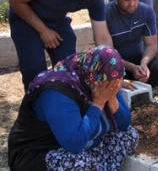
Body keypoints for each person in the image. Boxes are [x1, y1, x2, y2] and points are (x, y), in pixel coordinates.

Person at [8, 45, 138, 170]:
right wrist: (98, 104)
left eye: (116, 82)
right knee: (80, 163)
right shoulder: (58, 91)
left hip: (82, 144)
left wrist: (111, 98)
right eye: (109, 83)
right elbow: (74, 143)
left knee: (128, 136)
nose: (112, 86)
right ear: (93, 76)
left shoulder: (105, 77)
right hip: (40, 153)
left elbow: (124, 124)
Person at [9, 0, 113, 90]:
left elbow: (102, 37)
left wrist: (112, 68)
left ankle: (62, 100)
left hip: (56, 20)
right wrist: (44, 31)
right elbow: (15, 0)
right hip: (24, 18)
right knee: (34, 69)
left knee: (68, 66)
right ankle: (35, 106)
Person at [106, 0, 158, 87]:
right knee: (103, 72)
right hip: (114, 62)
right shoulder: (106, 14)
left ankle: (141, 88)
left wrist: (144, 64)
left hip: (138, 58)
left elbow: (152, 45)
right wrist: (131, 67)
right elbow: (107, 53)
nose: (132, 4)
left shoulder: (146, 11)